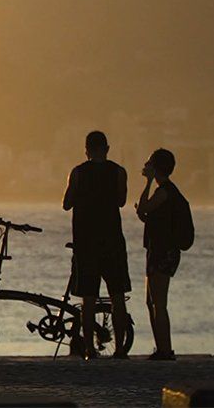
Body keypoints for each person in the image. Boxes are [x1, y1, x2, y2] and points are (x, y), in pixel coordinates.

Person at [62, 131, 131, 359]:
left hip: (86, 242)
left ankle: (90, 349)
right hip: (112, 240)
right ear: (107, 148)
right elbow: (121, 200)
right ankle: (120, 348)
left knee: (89, 298)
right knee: (117, 296)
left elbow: (66, 203)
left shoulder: (78, 172)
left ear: (86, 149)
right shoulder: (119, 172)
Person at [135, 148, 187, 361]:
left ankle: (166, 350)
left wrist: (147, 182)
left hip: (163, 253)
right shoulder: (166, 192)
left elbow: (144, 208)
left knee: (159, 302)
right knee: (151, 301)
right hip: (158, 251)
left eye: (149, 163)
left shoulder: (164, 191)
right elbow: (150, 215)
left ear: (156, 167)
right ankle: (161, 348)